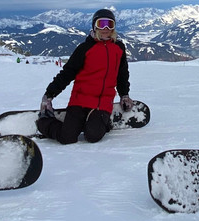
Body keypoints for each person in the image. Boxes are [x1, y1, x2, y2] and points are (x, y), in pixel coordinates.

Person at [37, 9, 133, 144]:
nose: (105, 28)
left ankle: (98, 123)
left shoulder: (119, 48)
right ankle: (44, 121)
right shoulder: (85, 48)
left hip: (103, 102)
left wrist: (124, 95)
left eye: (109, 24)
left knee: (93, 136)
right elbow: (67, 73)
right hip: (80, 99)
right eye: (101, 24)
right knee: (67, 138)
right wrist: (49, 95)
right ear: (95, 26)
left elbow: (122, 74)